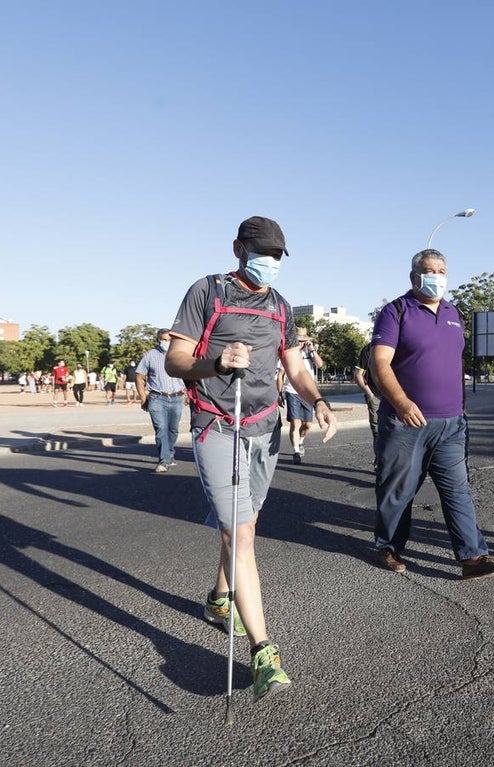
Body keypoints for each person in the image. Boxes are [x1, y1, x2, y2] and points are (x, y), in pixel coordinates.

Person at [165, 215, 337, 703]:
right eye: (263, 252)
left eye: (279, 255)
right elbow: (177, 360)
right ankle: (264, 654)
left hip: (265, 425)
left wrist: (319, 400)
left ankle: (221, 599)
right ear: (238, 247)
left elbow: (295, 365)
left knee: (246, 524)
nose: (271, 262)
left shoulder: (281, 306)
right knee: (239, 533)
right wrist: (215, 363)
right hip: (218, 423)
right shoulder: (208, 291)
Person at [371, 249, 494, 581]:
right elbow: (379, 364)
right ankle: (389, 547)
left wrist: (459, 409)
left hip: (451, 423)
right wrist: (403, 403)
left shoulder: (453, 313)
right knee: (398, 489)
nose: (436, 276)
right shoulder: (396, 311)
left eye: (442, 271)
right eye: (429, 270)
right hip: (406, 421)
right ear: (414, 276)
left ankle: (472, 557)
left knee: (457, 489)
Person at [135, 330, 185, 472]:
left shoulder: (180, 355)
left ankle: (169, 454)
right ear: (158, 340)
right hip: (157, 398)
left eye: (169, 340)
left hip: (177, 397)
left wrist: (187, 395)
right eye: (163, 340)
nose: (166, 343)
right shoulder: (150, 355)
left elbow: (188, 376)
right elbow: (139, 377)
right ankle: (164, 460)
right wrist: (143, 397)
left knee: (173, 429)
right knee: (161, 428)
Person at [283, 328, 324, 464]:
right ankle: (295, 452)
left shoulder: (309, 353)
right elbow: (280, 375)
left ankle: (300, 442)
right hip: (292, 391)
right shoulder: (288, 352)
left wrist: (312, 350)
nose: (300, 344)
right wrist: (279, 392)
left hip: (307, 392)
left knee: (307, 425)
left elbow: (320, 364)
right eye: (298, 341)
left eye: (303, 341)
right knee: (296, 423)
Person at [353, 342, 380, 466]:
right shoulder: (368, 349)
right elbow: (358, 374)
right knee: (377, 431)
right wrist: (370, 394)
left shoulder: (398, 346)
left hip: (395, 397)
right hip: (376, 396)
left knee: (396, 430)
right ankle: (380, 460)